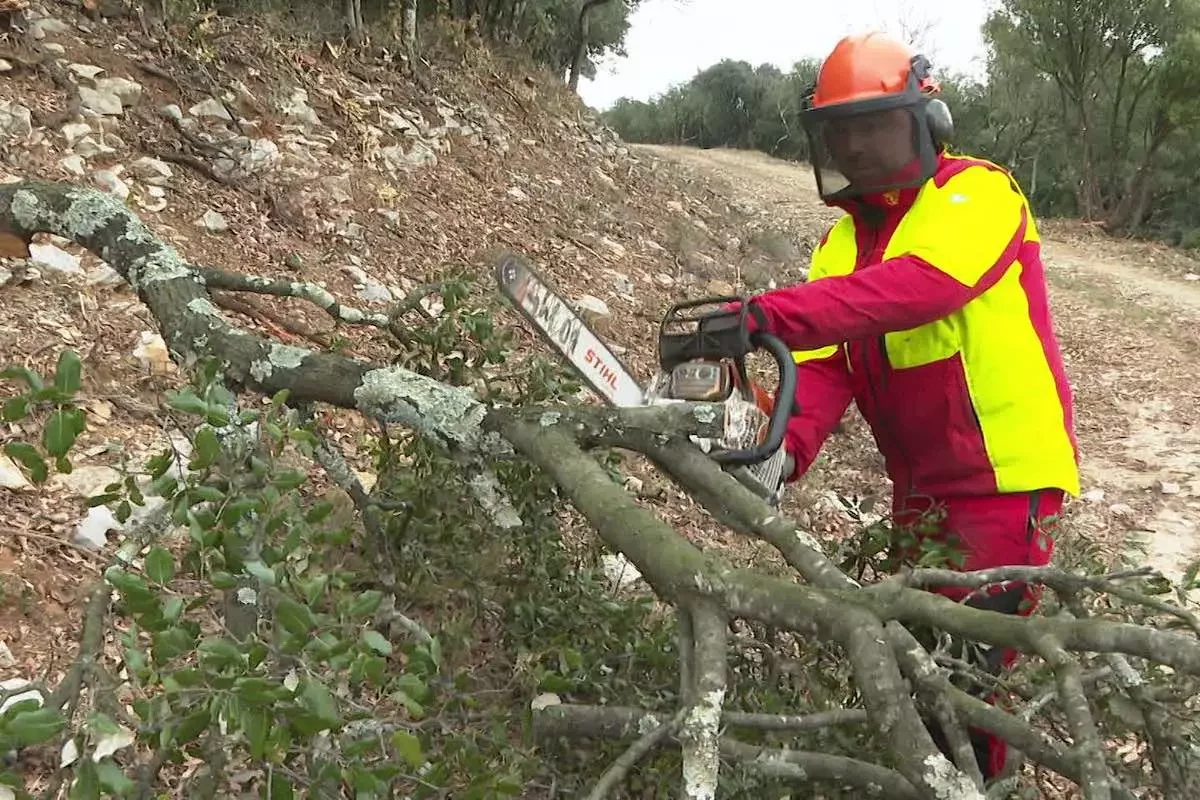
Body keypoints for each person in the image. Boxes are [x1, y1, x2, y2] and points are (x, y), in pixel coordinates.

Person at [703, 31, 1081, 781]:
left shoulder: (978, 194)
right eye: (842, 132)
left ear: (924, 120)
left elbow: (917, 290)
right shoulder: (843, 240)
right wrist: (781, 448)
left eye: (873, 126)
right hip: (919, 495)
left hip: (1004, 483)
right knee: (918, 671)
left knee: (967, 684)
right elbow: (823, 365)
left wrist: (767, 314)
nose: (858, 147)